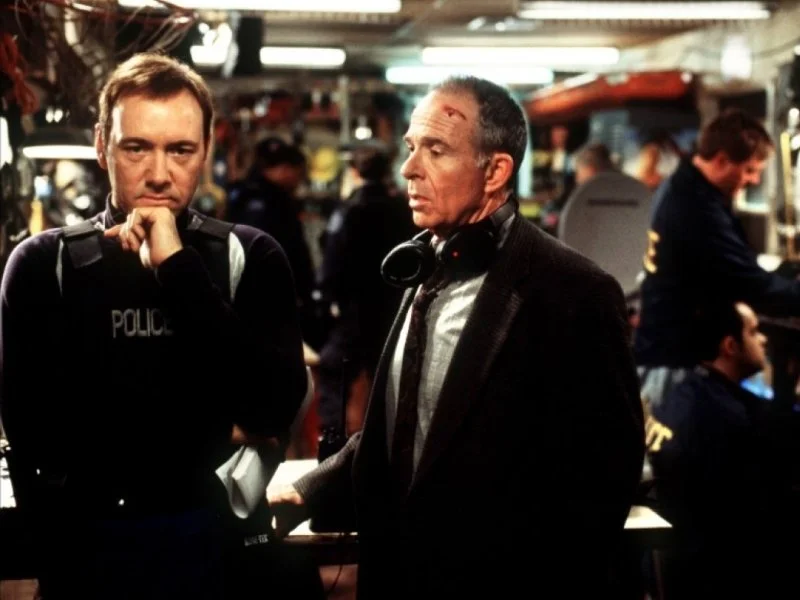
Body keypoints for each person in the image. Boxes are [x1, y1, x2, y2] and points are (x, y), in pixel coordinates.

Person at [269, 75, 645, 598]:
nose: (408, 168)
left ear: (495, 171)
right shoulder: (429, 266)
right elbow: (407, 428)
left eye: (436, 150)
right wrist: (307, 490)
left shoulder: (576, 292)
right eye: (411, 148)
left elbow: (605, 479)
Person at [0, 53, 315, 599]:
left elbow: (273, 408)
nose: (159, 174)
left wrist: (176, 267)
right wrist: (217, 428)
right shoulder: (43, 264)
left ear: (207, 149)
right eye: (137, 147)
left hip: (220, 554)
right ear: (102, 146)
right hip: (88, 555)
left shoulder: (250, 256)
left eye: (180, 150)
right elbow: (36, 435)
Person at [634, 108, 800, 407]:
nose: (754, 180)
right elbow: (753, 285)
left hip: (667, 353)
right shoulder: (694, 207)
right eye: (749, 170)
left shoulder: (685, 184)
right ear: (722, 160)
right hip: (674, 367)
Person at [648, 300, 795, 598]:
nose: (763, 339)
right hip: (723, 575)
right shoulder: (731, 418)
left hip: (681, 570)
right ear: (730, 346)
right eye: (753, 332)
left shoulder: (680, 396)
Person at [315, 144, 416, 450]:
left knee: (336, 372)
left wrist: (327, 297)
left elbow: (333, 259)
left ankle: (332, 445)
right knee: (390, 378)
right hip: (393, 304)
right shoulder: (402, 207)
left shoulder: (349, 209)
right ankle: (390, 448)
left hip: (355, 308)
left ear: (355, 172)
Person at [226, 137, 320, 348]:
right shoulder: (276, 202)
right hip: (271, 298)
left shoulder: (241, 194)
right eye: (299, 173)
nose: (299, 181)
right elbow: (291, 252)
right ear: (286, 169)